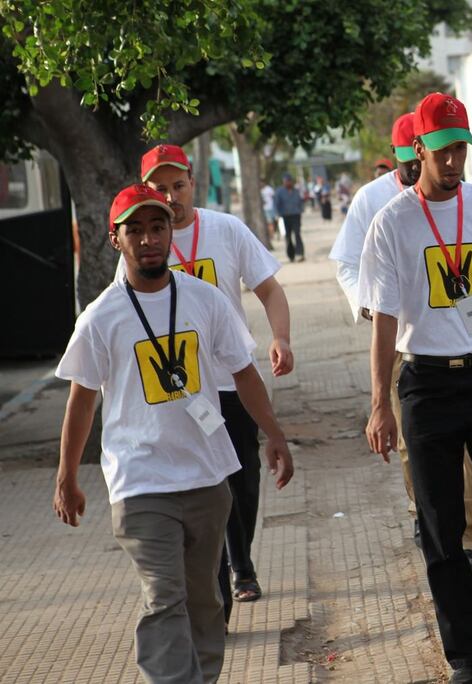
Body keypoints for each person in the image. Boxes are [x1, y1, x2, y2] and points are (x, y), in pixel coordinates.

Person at [53, 184, 294, 684]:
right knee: (166, 597)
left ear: (170, 232)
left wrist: (273, 433)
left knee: (206, 598)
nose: (147, 239)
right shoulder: (101, 317)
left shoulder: (205, 301)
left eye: (157, 227)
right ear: (115, 239)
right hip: (140, 483)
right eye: (134, 230)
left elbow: (243, 373)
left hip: (206, 476)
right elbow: (82, 398)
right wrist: (67, 476)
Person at [360, 92, 472, 684]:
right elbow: (384, 319)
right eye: (442, 151)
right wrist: (379, 405)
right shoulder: (392, 223)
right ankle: (465, 653)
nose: (454, 161)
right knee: (440, 530)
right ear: (419, 151)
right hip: (427, 386)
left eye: (461, 148)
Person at [121, 144, 293, 617]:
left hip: (232, 382)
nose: (170, 196)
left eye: (178, 186)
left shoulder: (226, 230)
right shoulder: (142, 242)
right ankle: (220, 592)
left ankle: (242, 561)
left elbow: (270, 289)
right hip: (180, 392)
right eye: (159, 188)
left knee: (243, 482)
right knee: (207, 486)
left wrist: (281, 338)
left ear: (192, 182)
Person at [328, 112, 472, 556]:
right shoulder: (374, 201)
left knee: (466, 448)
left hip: (460, 330)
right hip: (401, 338)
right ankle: (426, 512)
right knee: (413, 442)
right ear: (404, 156)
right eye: (408, 166)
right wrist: (371, 305)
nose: (418, 173)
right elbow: (346, 261)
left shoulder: (464, 197)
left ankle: (464, 532)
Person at [274, 174, 305, 262]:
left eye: (289, 181)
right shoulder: (279, 191)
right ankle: (291, 255)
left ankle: (300, 253)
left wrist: (301, 209)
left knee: (297, 234)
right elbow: (276, 204)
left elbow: (300, 201)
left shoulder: (296, 191)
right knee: (287, 236)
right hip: (284, 216)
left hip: (296, 215)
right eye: (286, 181)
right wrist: (277, 214)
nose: (288, 183)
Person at [260, 181, 276, 247]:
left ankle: (272, 234)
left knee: (273, 222)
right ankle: (271, 235)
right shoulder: (260, 190)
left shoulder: (269, 189)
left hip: (271, 207)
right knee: (270, 223)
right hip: (265, 209)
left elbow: (273, 197)